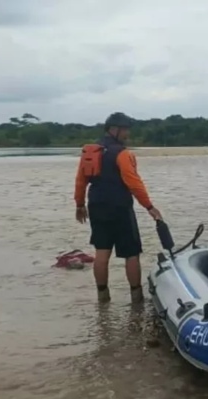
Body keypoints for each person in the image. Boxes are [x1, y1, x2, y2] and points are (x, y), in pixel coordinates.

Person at [74, 112, 162, 303]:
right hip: (120, 207)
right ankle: (136, 298)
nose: (127, 134)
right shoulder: (123, 154)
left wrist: (79, 204)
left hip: (97, 206)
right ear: (114, 129)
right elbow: (134, 183)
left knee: (101, 251)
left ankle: (102, 298)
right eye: (125, 130)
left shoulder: (91, 152)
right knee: (131, 253)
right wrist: (149, 206)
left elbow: (81, 180)